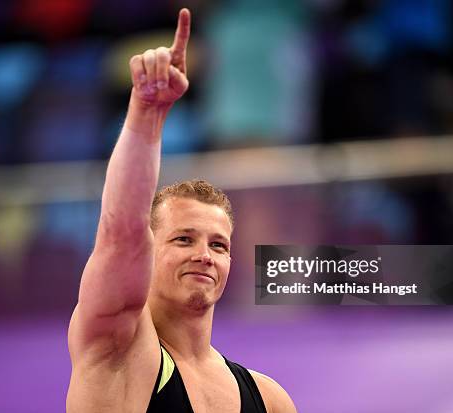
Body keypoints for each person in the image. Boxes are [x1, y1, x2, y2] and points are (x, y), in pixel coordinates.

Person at [66, 8, 297, 413]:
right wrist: (146, 116)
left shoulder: (269, 399)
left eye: (219, 245)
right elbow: (121, 234)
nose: (204, 255)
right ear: (148, 252)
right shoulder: (118, 350)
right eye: (183, 238)